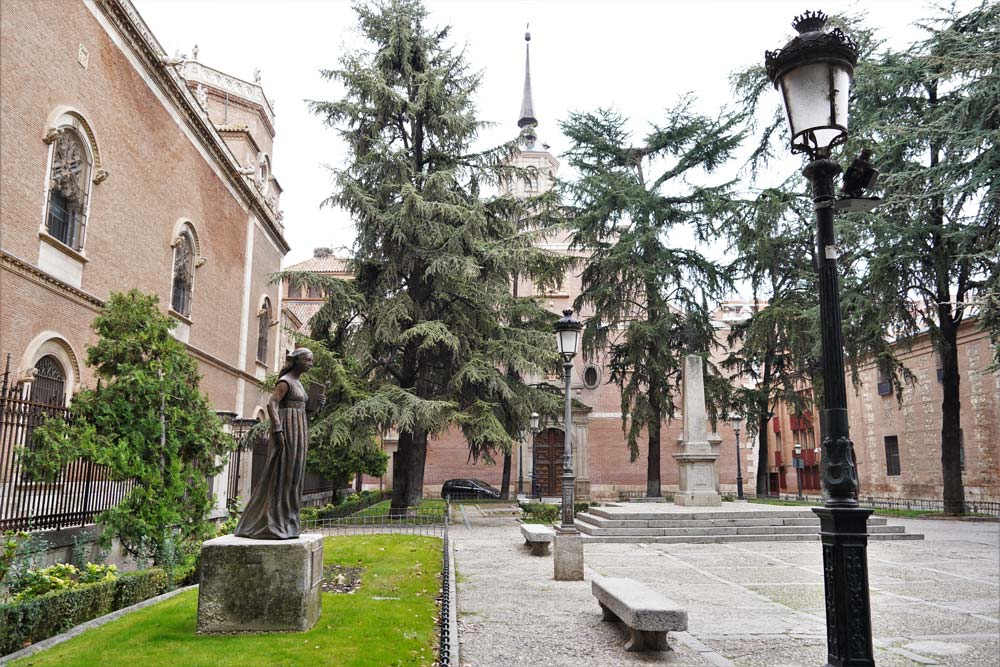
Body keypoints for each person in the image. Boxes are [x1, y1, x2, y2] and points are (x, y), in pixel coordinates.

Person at [235, 348, 322, 539]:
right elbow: (272, 403)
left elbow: (304, 412)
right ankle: (275, 521)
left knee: (295, 474)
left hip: (298, 429)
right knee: (284, 473)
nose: (311, 363)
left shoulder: (298, 383)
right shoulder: (286, 382)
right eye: (308, 360)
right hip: (287, 429)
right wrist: (277, 429)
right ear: (297, 361)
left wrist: (315, 405)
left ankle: (288, 520)